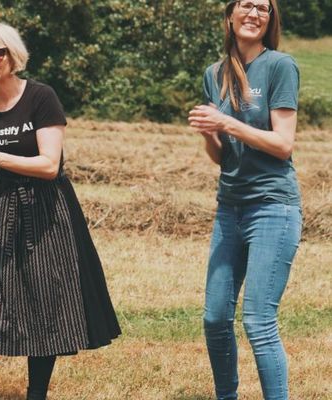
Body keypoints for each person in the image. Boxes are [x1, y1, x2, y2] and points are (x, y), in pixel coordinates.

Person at [0, 22, 121, 400]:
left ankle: (36, 393)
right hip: (3, 207)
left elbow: (49, 165)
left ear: (12, 55)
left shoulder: (41, 97)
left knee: (46, 303)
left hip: (48, 211)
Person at [188, 1, 301, 399]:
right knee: (215, 318)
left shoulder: (279, 66)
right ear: (230, 16)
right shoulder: (214, 74)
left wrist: (226, 122)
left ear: (270, 21)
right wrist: (208, 132)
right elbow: (222, 155)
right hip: (229, 206)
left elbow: (283, 145)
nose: (254, 13)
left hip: (273, 206)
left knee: (258, 320)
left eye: (263, 8)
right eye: (246, 5)